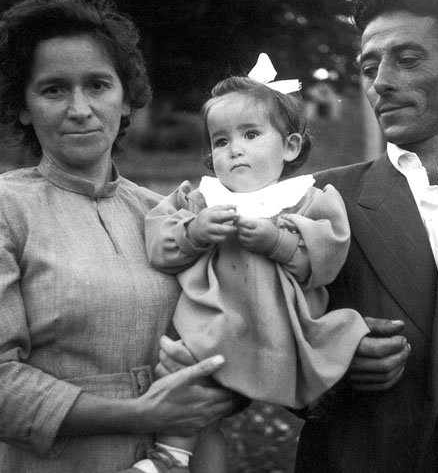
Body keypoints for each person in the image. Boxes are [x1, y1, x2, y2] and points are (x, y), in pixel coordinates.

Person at [0, 0, 234, 473]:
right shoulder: (8, 209)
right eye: (53, 90)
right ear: (23, 107)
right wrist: (142, 413)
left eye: (98, 85)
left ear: (126, 99)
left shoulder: (166, 215)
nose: (80, 108)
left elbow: (229, 332)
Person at [293, 0, 438, 471]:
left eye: (407, 60)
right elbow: (266, 343)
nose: (380, 82)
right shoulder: (318, 200)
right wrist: (331, 362)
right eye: (369, 68)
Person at [138, 65, 370, 472]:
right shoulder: (201, 201)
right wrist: (195, 231)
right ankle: (171, 458)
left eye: (250, 135)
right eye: (221, 141)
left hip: (281, 330)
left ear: (290, 147)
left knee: (343, 371)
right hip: (215, 324)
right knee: (193, 394)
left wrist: (278, 241)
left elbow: (325, 260)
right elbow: (159, 246)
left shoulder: (306, 200)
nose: (235, 150)